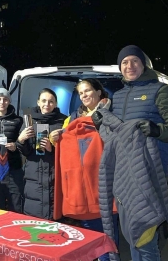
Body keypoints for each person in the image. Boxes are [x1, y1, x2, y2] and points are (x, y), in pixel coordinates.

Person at [94, 45, 168, 261]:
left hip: (149, 174)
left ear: (144, 64)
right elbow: (115, 134)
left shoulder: (161, 90)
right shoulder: (116, 97)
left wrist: (158, 130)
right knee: (131, 233)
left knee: (144, 236)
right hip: (124, 174)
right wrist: (100, 124)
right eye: (125, 62)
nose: (130, 66)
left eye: (134, 61)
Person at [50, 79, 119, 261]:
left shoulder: (112, 112)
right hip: (81, 191)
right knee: (92, 238)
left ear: (98, 92)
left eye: (88, 91)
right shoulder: (72, 118)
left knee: (108, 238)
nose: (84, 95)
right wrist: (54, 137)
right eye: (81, 93)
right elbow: (62, 143)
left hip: (105, 186)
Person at [16, 88, 66, 220]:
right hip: (33, 175)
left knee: (55, 219)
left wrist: (51, 149)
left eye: (51, 101)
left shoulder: (63, 121)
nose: (47, 104)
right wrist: (21, 140)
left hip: (54, 173)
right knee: (33, 220)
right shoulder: (29, 120)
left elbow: (69, 152)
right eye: (44, 101)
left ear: (56, 104)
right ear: (38, 102)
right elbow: (26, 152)